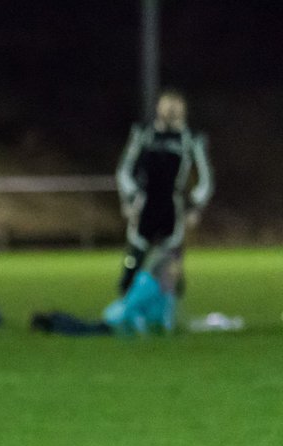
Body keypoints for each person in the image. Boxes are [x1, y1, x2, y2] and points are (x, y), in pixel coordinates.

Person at [115, 89, 213, 296]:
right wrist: (130, 198)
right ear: (159, 107)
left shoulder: (191, 139)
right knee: (133, 262)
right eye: (167, 106)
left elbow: (206, 178)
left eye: (175, 107)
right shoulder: (143, 133)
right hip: (146, 204)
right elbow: (124, 170)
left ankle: (169, 316)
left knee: (172, 270)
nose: (171, 111)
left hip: (172, 206)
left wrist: (195, 206)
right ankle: (126, 307)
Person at [31, 246, 179, 336]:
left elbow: (165, 319)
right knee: (83, 331)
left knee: (84, 329)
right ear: (161, 273)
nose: (173, 278)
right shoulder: (149, 286)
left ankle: (53, 319)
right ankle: (51, 320)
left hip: (118, 322)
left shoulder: (160, 289)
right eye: (170, 274)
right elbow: (130, 307)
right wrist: (141, 330)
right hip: (117, 322)